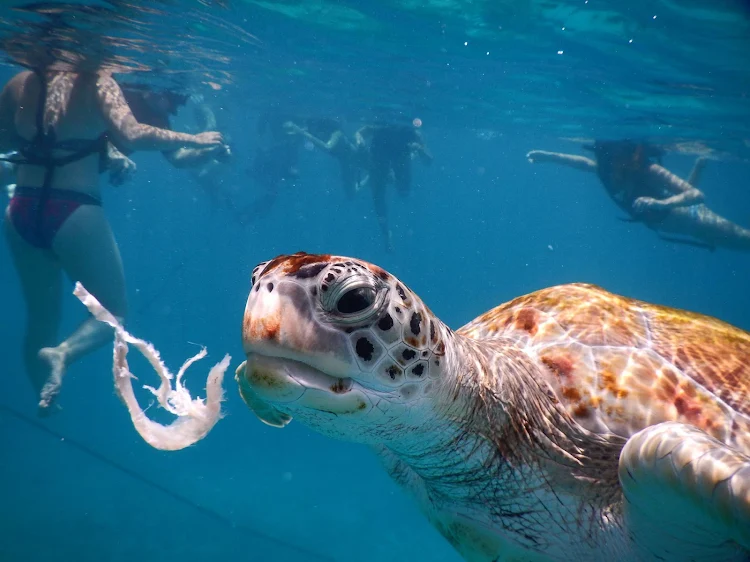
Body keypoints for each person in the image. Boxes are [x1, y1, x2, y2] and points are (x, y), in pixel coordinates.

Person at [1, 67, 224, 414]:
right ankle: (62, 355)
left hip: (22, 208)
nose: (175, 106)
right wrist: (192, 138)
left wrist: (207, 149)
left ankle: (42, 403)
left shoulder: (23, 82)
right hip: (72, 209)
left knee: (41, 318)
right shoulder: (100, 84)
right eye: (172, 96)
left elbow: (11, 142)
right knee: (112, 312)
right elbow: (132, 134)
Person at [526, 140, 750, 252]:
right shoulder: (606, 170)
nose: (609, 163)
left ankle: (699, 164)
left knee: (742, 240)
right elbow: (580, 162)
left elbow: (696, 195)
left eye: (612, 157)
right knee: (732, 243)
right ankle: (699, 165)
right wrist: (548, 156)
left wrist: (660, 204)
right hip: (672, 225)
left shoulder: (649, 170)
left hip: (691, 218)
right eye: (605, 157)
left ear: (627, 154)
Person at [356, 123, 432, 252]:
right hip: (379, 161)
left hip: (398, 159)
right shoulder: (380, 127)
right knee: (379, 198)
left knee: (404, 192)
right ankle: (386, 235)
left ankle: (388, 175)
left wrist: (419, 149)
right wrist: (360, 141)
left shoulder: (411, 133)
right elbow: (360, 132)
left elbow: (429, 160)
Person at [282, 118, 369, 198]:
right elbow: (296, 130)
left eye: (313, 127)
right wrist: (293, 128)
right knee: (350, 194)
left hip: (352, 160)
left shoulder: (337, 133)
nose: (311, 130)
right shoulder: (314, 130)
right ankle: (370, 176)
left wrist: (302, 132)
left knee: (351, 194)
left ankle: (370, 177)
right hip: (344, 160)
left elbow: (328, 147)